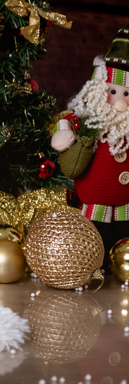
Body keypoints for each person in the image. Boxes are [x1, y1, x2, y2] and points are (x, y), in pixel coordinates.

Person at [51, 25, 129, 252]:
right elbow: (68, 121)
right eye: (113, 92)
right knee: (95, 236)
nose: (120, 101)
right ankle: (97, 262)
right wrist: (63, 133)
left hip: (127, 202)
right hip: (94, 200)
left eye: (127, 93)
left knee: (124, 233)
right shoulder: (90, 118)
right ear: (98, 89)